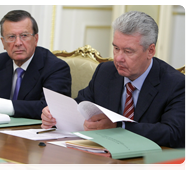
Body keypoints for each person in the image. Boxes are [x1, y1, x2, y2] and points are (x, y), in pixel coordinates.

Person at [41, 11, 187, 148]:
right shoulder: (105, 71)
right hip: (101, 155)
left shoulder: (176, 84)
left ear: (150, 51)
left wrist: (120, 127)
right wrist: (55, 114)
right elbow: (82, 105)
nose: (118, 58)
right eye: (116, 48)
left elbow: (175, 134)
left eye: (128, 51)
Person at [0, 10, 71, 119]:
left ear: (36, 39)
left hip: (35, 132)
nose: (18, 43)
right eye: (11, 37)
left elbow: (50, 108)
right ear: (3, 42)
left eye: (24, 35)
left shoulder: (55, 67)